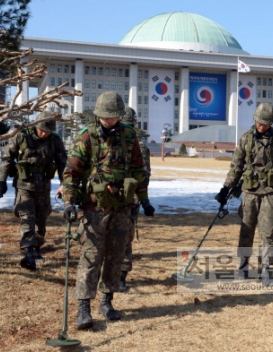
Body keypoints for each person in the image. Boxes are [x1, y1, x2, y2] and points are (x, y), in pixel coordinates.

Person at [62, 91, 154, 329]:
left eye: (113, 116)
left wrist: (144, 200)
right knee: (92, 256)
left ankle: (107, 301)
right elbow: (71, 173)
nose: (109, 120)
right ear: (99, 114)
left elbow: (137, 171)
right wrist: (69, 202)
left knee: (115, 256)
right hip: (95, 208)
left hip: (122, 208)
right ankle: (84, 308)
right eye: (106, 116)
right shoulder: (86, 137)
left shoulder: (129, 135)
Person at [215, 103, 273, 286]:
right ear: (255, 119)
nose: (261, 125)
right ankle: (243, 267)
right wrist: (225, 189)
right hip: (249, 192)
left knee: (268, 234)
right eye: (259, 122)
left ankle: (266, 271)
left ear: (271, 123)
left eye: (265, 123)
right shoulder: (245, 139)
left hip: (270, 193)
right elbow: (236, 167)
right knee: (246, 231)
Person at [0, 111, 67, 271]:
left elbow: (62, 164)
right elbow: (7, 158)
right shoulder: (22, 136)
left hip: (44, 187)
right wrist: (1, 181)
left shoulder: (55, 140)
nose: (44, 133)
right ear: (36, 125)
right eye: (41, 130)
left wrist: (64, 184)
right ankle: (29, 251)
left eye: (47, 131)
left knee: (42, 218)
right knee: (27, 216)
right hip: (24, 185)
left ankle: (36, 245)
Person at [118, 106, 153, 292]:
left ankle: (121, 275)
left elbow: (144, 176)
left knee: (125, 237)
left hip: (130, 199)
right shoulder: (108, 142)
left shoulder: (140, 148)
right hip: (108, 198)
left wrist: (144, 200)